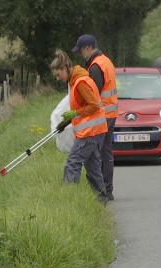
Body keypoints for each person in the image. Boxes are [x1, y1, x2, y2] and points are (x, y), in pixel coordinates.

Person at [51, 50, 109, 204]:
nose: (58, 78)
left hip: (91, 131)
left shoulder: (80, 82)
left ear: (65, 68)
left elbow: (94, 106)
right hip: (93, 130)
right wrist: (67, 121)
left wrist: (74, 113)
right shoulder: (75, 81)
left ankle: (68, 200)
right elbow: (81, 109)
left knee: (73, 162)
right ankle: (102, 199)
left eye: (58, 75)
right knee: (93, 167)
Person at [73, 34, 117, 201]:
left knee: (95, 154)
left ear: (88, 48)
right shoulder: (106, 61)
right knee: (106, 153)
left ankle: (101, 190)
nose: (80, 54)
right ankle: (108, 189)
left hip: (102, 116)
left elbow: (93, 95)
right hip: (111, 113)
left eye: (80, 51)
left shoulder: (95, 66)